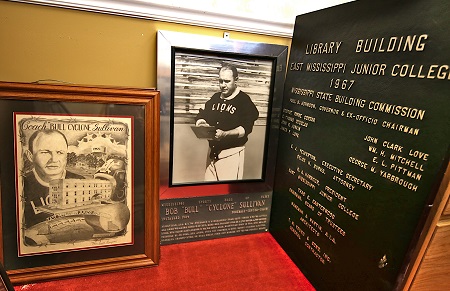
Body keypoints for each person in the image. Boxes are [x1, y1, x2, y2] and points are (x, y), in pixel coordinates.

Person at [195, 64, 259, 181]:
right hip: (212, 152)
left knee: (227, 194)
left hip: (231, 154)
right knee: (208, 191)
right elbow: (202, 113)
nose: (223, 85)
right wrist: (202, 123)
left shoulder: (244, 100)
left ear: (236, 80)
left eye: (227, 81)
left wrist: (225, 134)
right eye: (220, 81)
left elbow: (246, 128)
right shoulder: (215, 97)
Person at [22, 129, 84, 227]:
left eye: (60, 152)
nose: (54, 159)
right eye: (45, 152)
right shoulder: (21, 186)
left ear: (66, 155)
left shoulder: (82, 182)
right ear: (30, 156)